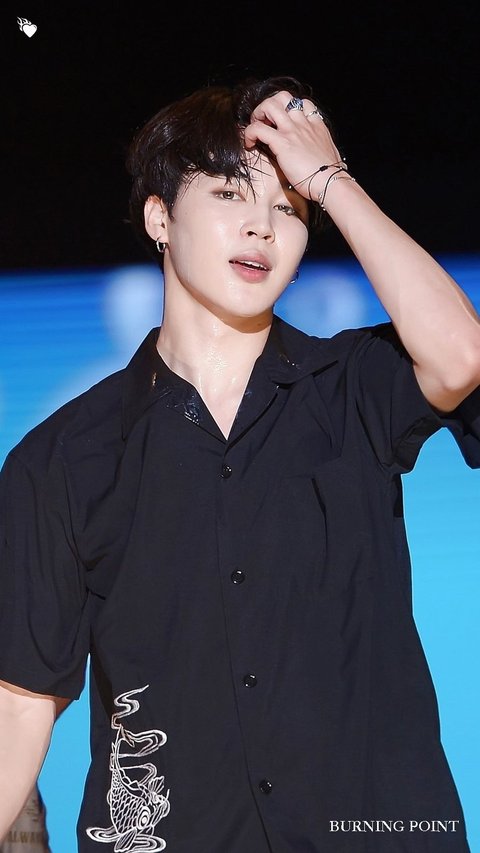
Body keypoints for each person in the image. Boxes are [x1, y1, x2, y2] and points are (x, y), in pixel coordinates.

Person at [0, 73, 479, 853]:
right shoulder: (64, 458)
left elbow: (461, 356)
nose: (262, 226)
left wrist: (332, 179)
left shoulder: (353, 386)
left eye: (289, 208)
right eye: (228, 194)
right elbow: (20, 703)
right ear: (159, 217)